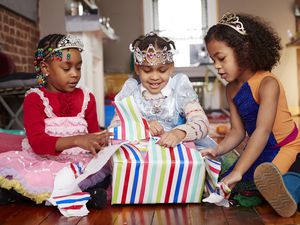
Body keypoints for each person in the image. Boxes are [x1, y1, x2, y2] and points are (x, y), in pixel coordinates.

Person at [0, 33, 112, 209]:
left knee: (101, 175)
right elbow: (38, 142)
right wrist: (76, 140)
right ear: (45, 68)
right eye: (66, 68)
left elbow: (93, 131)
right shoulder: (35, 99)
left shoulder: (87, 97)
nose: (75, 74)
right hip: (44, 161)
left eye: (78, 67)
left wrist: (101, 139)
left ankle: (83, 195)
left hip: (78, 162)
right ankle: (82, 198)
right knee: (34, 180)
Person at [201, 12, 300, 198]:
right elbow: (238, 131)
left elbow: (262, 132)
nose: (217, 66)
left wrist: (238, 171)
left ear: (244, 50)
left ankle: (292, 184)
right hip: (258, 148)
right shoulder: (230, 89)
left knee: (264, 186)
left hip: (285, 147)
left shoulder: (267, 83)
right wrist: (217, 150)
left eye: (222, 58)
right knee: (228, 184)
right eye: (213, 60)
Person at [109, 32, 215, 148]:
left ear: (171, 68)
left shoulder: (179, 90)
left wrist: (179, 133)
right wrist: (141, 126)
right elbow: (113, 130)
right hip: (143, 156)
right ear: (137, 69)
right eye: (147, 71)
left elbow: (202, 124)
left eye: (162, 70)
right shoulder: (130, 94)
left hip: (179, 154)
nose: (155, 77)